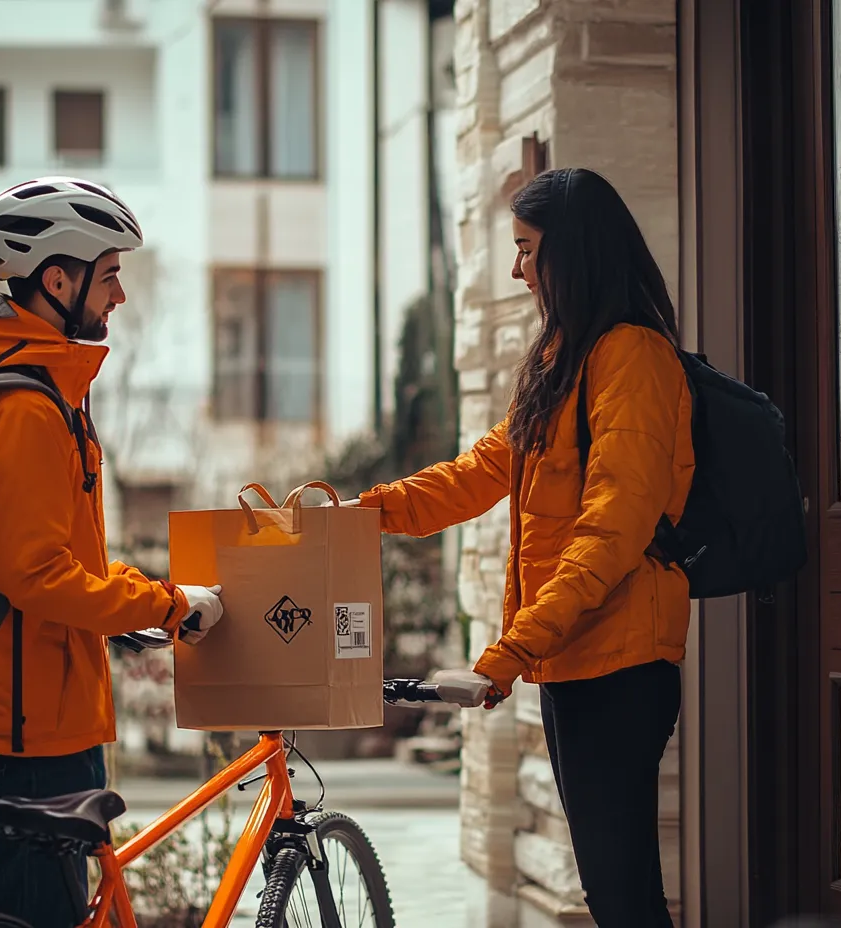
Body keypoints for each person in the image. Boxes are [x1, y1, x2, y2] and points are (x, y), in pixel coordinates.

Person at [348, 168, 694, 927]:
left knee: (621, 894)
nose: (516, 269)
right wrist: (360, 513)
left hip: (623, 666)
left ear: (573, 252)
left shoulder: (631, 358)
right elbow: (479, 473)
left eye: (527, 249)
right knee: (614, 891)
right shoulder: (559, 361)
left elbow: (611, 531)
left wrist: (506, 653)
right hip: (578, 659)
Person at [0, 177, 224, 927]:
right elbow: (38, 577)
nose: (118, 296)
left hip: (35, 714)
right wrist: (168, 604)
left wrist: (144, 601)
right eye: (109, 274)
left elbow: (57, 559)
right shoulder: (19, 408)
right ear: (58, 278)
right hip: (24, 733)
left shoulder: (40, 391)